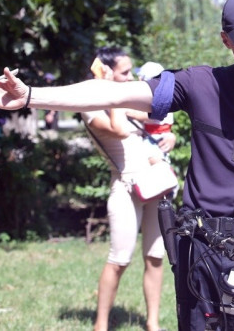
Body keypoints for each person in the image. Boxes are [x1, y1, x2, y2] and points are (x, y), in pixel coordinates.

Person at [0, 0, 234, 331]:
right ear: (225, 40)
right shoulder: (202, 84)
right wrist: (31, 95)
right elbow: (111, 93)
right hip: (203, 252)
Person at [82, 47, 172, 331]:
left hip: (155, 184)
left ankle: (153, 323)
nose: (132, 77)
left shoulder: (127, 97)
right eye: (125, 72)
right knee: (119, 259)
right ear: (107, 73)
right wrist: (111, 91)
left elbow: (158, 120)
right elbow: (119, 129)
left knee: (155, 256)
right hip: (125, 187)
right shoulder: (90, 105)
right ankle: (101, 325)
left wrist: (170, 138)